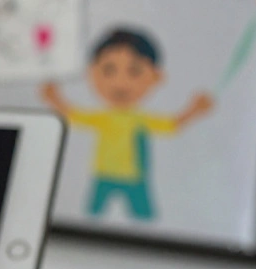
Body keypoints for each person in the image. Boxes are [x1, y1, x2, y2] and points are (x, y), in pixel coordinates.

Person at [40, 27, 214, 220]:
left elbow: (172, 125)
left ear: (156, 77)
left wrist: (195, 110)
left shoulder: (140, 120)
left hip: (134, 177)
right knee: (92, 215)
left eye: (134, 71)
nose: (120, 82)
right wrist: (54, 99)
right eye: (108, 70)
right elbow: (73, 116)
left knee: (143, 216)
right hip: (103, 174)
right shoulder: (102, 117)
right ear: (92, 73)